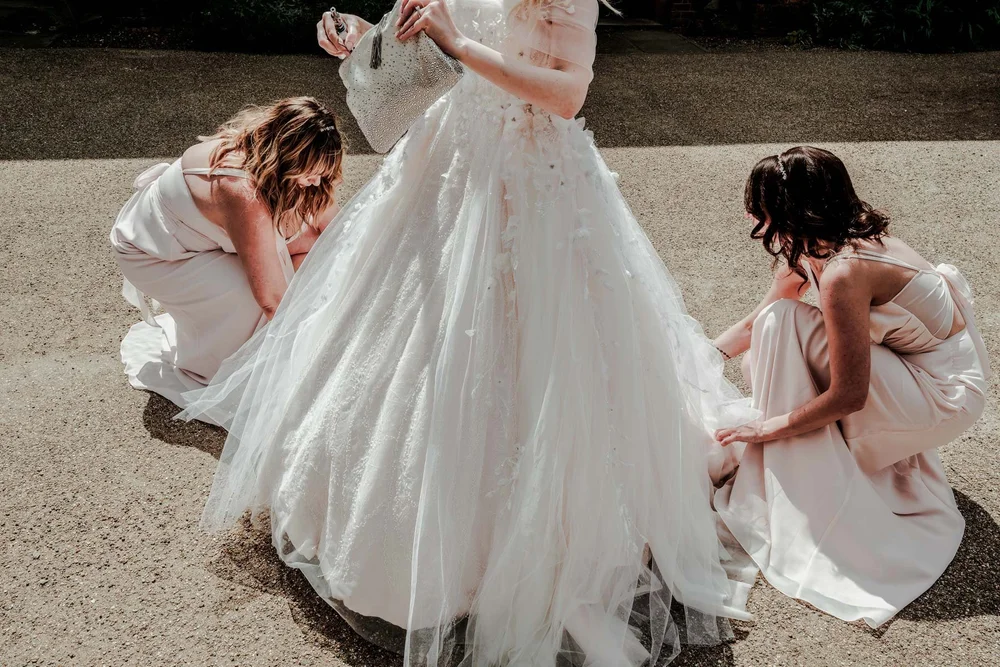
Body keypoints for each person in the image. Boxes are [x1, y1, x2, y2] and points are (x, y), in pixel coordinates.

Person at [181, 1, 758, 664]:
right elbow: (419, 40)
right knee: (405, 341)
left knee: (533, 355)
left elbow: (566, 94)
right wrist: (366, 49)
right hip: (445, 164)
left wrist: (457, 43)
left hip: (529, 183)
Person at [712, 146, 991, 627]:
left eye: (760, 204)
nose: (750, 215)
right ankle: (820, 453)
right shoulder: (815, 249)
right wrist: (691, 361)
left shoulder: (845, 271)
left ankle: (806, 467)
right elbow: (753, 325)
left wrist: (770, 429)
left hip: (942, 395)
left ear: (789, 209)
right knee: (774, 329)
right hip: (912, 370)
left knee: (784, 327)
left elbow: (849, 395)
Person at [110, 97, 345, 418]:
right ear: (288, 157)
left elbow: (334, 229)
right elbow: (272, 300)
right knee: (250, 297)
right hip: (155, 252)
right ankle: (212, 367)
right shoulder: (242, 192)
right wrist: (312, 348)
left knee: (313, 239)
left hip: (199, 233)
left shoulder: (263, 149)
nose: (317, 181)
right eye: (313, 172)